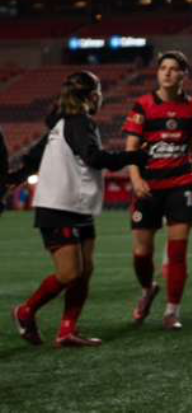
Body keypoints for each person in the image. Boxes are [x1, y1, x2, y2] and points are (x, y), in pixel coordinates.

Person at [10, 71, 148, 347]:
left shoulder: (62, 123)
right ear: (93, 95)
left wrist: (14, 177)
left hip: (78, 206)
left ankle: (67, 331)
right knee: (70, 274)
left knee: (84, 272)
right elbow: (94, 157)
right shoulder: (79, 122)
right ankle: (25, 311)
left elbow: (33, 158)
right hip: (58, 206)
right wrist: (137, 156)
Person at [124, 51, 192, 330]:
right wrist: (136, 179)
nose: (167, 72)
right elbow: (131, 149)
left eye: (173, 68)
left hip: (181, 184)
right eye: (163, 68)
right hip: (148, 186)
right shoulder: (143, 105)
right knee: (141, 252)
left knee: (178, 251)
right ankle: (148, 288)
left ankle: (172, 311)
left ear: (184, 74)